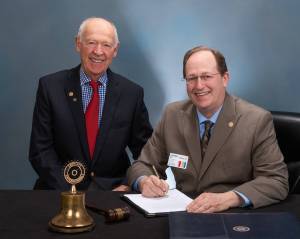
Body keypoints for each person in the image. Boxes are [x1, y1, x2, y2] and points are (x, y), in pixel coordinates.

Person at [127, 46, 289, 212]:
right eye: (191, 78)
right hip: (181, 212)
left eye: (206, 76)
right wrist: (144, 181)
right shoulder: (172, 114)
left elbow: (276, 180)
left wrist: (231, 198)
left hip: (231, 215)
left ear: (225, 78)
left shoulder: (256, 120)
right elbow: (142, 165)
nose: (199, 85)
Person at [29, 17, 153, 191]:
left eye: (106, 45)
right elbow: (40, 151)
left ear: (115, 50)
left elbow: (145, 152)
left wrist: (130, 183)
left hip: (114, 193)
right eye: (91, 42)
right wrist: (72, 193)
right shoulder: (50, 87)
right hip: (59, 192)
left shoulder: (132, 93)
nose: (98, 51)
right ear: (78, 44)